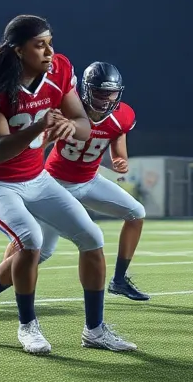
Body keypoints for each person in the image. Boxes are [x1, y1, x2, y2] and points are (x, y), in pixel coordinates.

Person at [0, 15, 135, 355]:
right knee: (31, 239)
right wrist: (39, 127)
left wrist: (68, 127)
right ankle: (27, 326)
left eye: (49, 42)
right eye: (39, 45)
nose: (49, 51)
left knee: (92, 238)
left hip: (37, 178)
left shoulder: (59, 69)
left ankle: (95, 330)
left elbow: (83, 124)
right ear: (17, 51)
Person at [42, 62, 150, 300]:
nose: (105, 98)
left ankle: (119, 280)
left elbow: (118, 152)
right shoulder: (68, 108)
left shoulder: (123, 116)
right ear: (86, 90)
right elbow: (40, 144)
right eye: (99, 92)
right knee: (41, 250)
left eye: (110, 93)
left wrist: (120, 162)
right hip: (56, 184)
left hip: (89, 180)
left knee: (136, 213)